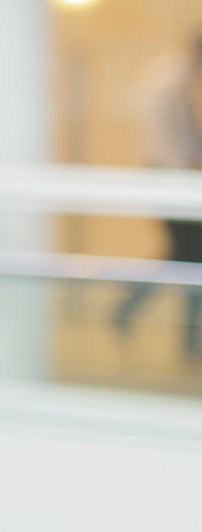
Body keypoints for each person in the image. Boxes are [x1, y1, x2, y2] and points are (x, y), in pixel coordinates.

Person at [113, 34, 202, 360]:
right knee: (186, 255)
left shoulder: (169, 77)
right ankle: (186, 339)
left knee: (185, 255)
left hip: (170, 174)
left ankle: (186, 339)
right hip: (171, 176)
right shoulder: (171, 82)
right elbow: (178, 142)